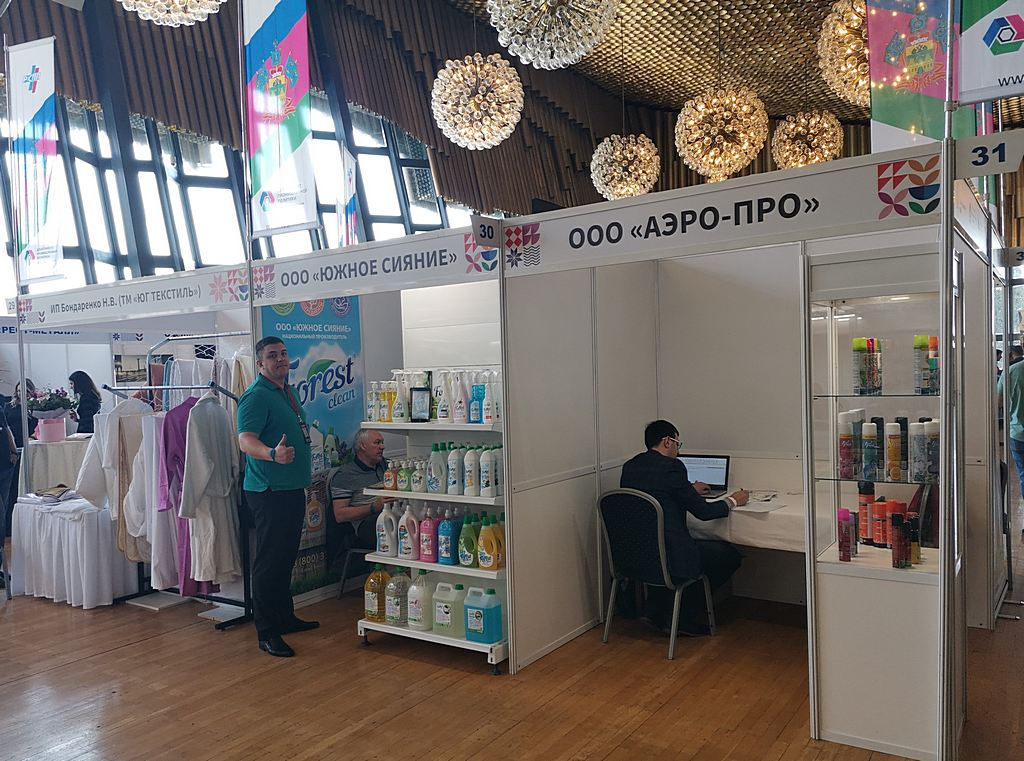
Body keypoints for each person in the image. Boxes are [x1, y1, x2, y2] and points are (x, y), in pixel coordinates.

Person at [619, 420, 749, 635]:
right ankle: (681, 616)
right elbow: (704, 513)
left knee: (696, 551)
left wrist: (688, 489)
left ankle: (655, 610)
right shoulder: (673, 467)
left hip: (637, 555)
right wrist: (734, 500)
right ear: (667, 442)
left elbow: (656, 490)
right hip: (670, 554)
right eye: (678, 444)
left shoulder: (631, 466)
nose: (678, 450)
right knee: (729, 556)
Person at [237, 336, 316, 658]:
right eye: (272, 355)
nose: (281, 359)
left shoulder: (286, 390)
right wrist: (272, 454)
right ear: (260, 364)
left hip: (291, 488)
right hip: (268, 491)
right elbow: (245, 440)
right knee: (269, 562)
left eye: (283, 353)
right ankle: (267, 631)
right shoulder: (255, 396)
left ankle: (285, 617)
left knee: (285, 558)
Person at [330, 429, 393, 551]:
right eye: (377, 443)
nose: (382, 447)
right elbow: (340, 515)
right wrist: (374, 507)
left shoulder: (386, 465)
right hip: (366, 524)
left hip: (393, 513)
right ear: (363, 446)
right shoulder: (345, 475)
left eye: (382, 442)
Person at [5, 379, 36, 528]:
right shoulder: (9, 407)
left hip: (28, 446)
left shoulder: (35, 408)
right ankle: (10, 523)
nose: (19, 394)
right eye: (18, 391)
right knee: (13, 486)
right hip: (14, 447)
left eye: (23, 391)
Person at [999, 354, 1024, 499]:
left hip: (1017, 433)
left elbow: (998, 401)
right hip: (1016, 433)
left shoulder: (1011, 371)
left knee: (1023, 473)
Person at [0, 410, 18, 547]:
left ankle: (1, 547)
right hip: (6, 461)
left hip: (5, 463)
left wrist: (14, 451)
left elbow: (6, 429)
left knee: (3, 508)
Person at [68, 370, 102, 435]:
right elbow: (89, 419)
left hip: (86, 434)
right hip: (92, 433)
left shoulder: (86, 398)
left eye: (72, 383)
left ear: (79, 383)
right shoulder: (92, 396)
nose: (71, 387)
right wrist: (77, 419)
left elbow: (88, 422)